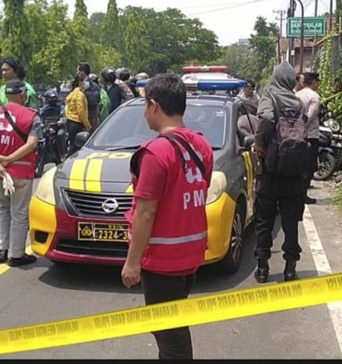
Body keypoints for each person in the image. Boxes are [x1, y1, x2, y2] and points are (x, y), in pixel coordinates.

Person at [121, 74, 213, 360]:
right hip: (190, 256)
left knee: (171, 338)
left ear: (154, 106)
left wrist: (132, 263)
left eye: (144, 105)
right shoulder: (202, 146)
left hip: (162, 261)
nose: (144, 112)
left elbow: (146, 212)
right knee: (171, 328)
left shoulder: (156, 152)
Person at [251, 61, 308, 283]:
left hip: (271, 170)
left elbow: (265, 119)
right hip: (294, 171)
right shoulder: (297, 101)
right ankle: (290, 268)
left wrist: (259, 143)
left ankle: (263, 267)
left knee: (264, 220)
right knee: (290, 220)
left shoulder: (270, 97)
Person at [0, 79, 40, 266]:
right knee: (19, 213)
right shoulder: (32, 116)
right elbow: (32, 144)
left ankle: (1, 249)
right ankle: (17, 254)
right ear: (23, 94)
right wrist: (10, 159)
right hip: (20, 171)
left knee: (3, 209)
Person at [295, 72, 322, 205]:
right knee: (309, 166)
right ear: (313, 82)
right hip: (310, 136)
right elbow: (309, 117)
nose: (318, 85)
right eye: (317, 82)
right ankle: (303, 194)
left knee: (299, 166)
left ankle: (298, 193)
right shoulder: (314, 97)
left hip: (295, 135)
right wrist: (302, 127)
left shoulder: (297, 95)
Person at [65, 73, 91, 156]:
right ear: (80, 82)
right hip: (77, 123)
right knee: (76, 148)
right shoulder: (80, 95)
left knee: (73, 146)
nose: (87, 83)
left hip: (70, 122)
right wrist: (87, 125)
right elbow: (81, 111)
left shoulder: (73, 93)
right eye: (85, 81)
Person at [76, 63, 102, 130]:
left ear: (82, 72)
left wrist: (84, 93)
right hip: (78, 119)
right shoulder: (77, 84)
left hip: (90, 118)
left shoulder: (93, 86)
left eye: (78, 71)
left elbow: (94, 100)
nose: (77, 73)